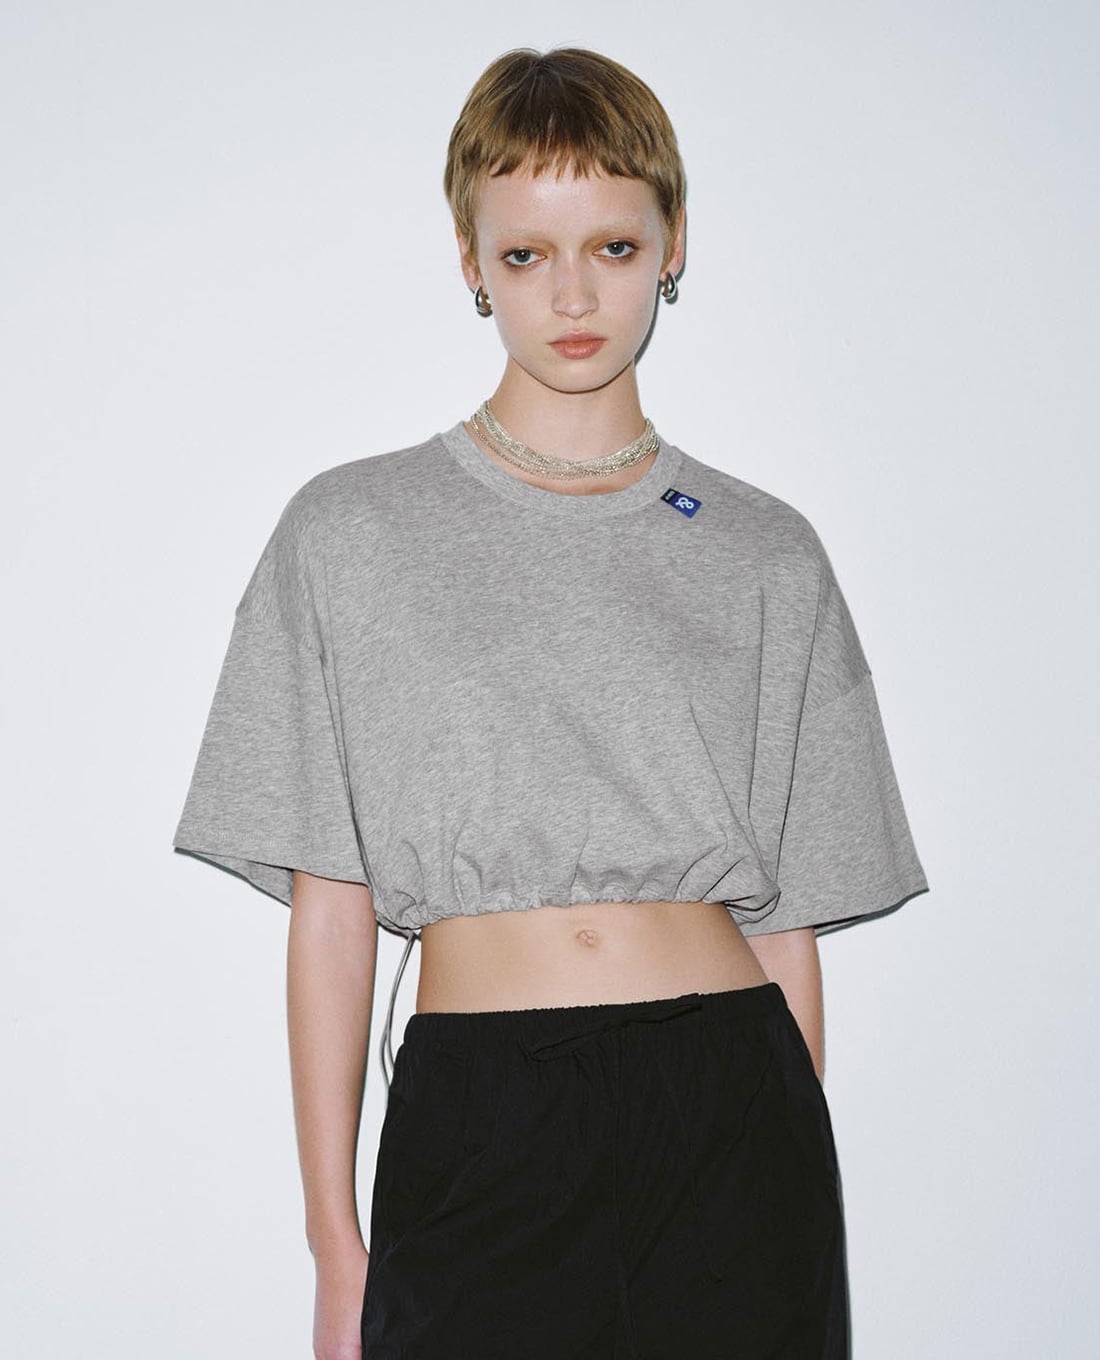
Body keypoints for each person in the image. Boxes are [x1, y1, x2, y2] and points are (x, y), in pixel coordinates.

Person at [172, 45, 929, 1360]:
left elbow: (786, 926)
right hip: (480, 1118)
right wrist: (334, 1243)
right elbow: (331, 912)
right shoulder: (351, 534)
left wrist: (794, 1187)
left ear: (674, 244)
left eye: (613, 248)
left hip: (731, 1117)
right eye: (526, 255)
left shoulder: (763, 550)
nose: (573, 295)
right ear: (471, 261)